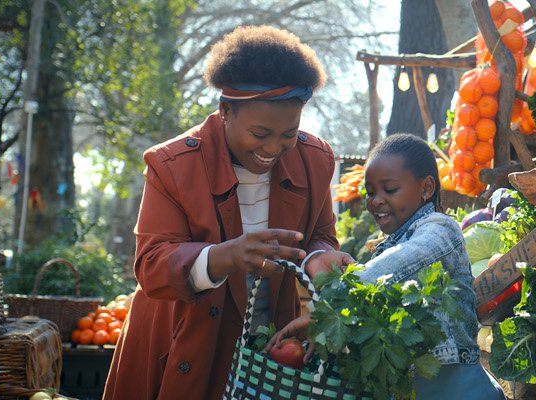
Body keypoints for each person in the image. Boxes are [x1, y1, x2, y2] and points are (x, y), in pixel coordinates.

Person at [104, 26, 352, 399]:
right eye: (260, 133)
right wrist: (226, 256)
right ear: (225, 111)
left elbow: (319, 233)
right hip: (183, 341)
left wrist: (318, 257)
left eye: (289, 133)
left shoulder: (315, 159)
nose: (274, 148)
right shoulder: (171, 165)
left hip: (269, 350)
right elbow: (151, 265)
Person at [272, 134, 504, 399]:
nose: (375, 201)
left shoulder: (440, 229)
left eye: (390, 190)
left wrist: (327, 310)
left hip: (459, 389)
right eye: (370, 193)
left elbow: (403, 261)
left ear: (426, 188)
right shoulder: (385, 247)